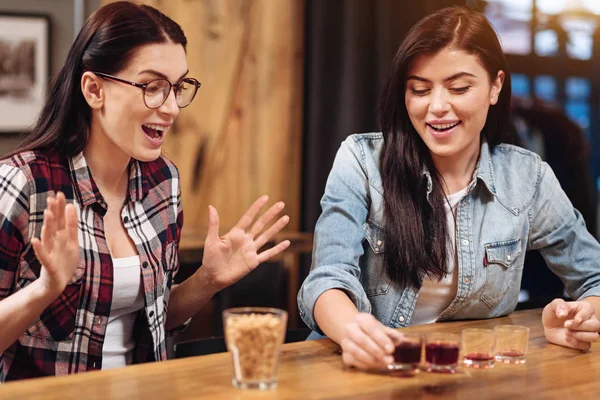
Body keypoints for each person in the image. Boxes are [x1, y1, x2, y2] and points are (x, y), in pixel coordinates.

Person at [297, 6, 600, 370]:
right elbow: (327, 277)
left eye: (459, 87)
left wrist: (579, 317)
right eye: (420, 90)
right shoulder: (361, 160)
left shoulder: (527, 177)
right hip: (359, 368)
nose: (437, 107)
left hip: (467, 375)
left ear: (495, 86)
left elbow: (593, 276)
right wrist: (352, 331)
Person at [0, 2, 290, 380]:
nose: (171, 108)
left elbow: (156, 319)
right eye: (152, 87)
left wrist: (207, 280)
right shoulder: (22, 183)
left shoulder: (162, 182)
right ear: (93, 89)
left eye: (178, 87)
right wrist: (45, 289)